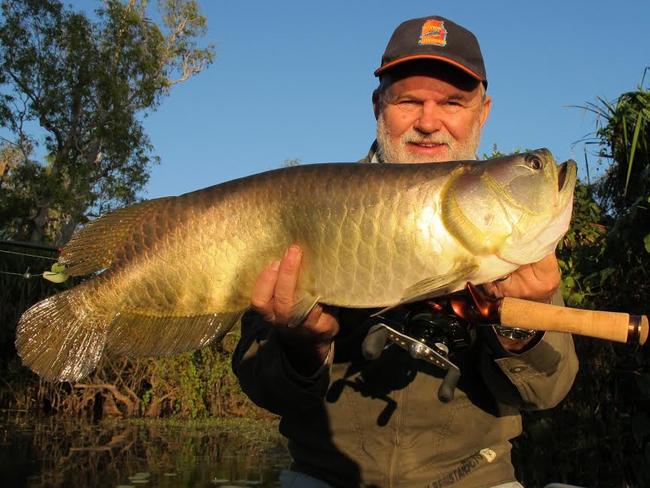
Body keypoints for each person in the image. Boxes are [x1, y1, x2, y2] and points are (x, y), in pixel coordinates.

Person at [232, 15, 578, 488]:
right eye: (409, 100)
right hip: (325, 476)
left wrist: (524, 321)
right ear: (379, 105)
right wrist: (303, 346)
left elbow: (546, 392)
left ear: (484, 111)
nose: (428, 122)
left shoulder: (509, 228)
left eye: (453, 102)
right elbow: (259, 383)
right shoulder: (309, 202)